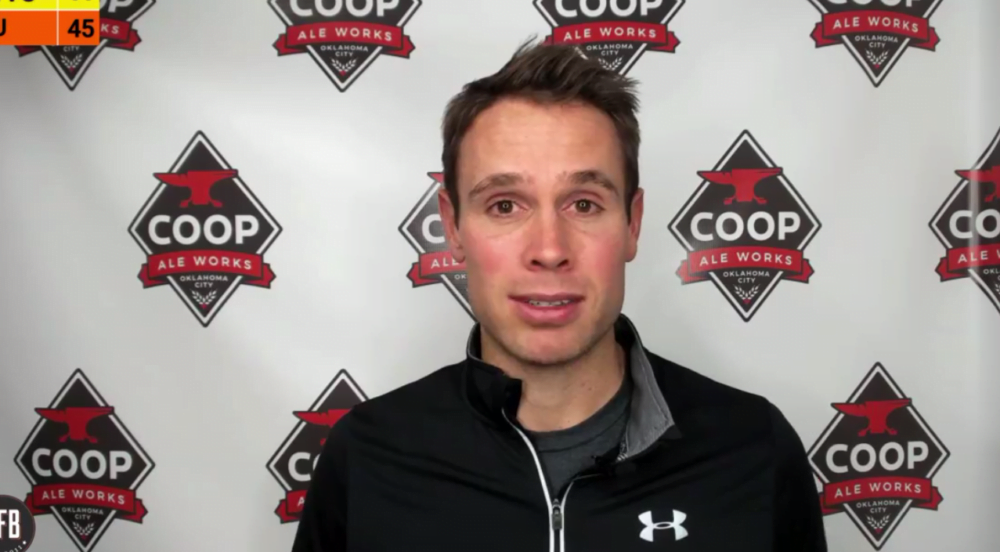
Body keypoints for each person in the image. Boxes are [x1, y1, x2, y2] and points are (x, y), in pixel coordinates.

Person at [292, 40, 827, 552]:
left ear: (633, 223)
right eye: (505, 205)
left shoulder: (754, 451)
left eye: (584, 204)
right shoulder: (366, 460)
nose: (549, 250)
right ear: (453, 228)